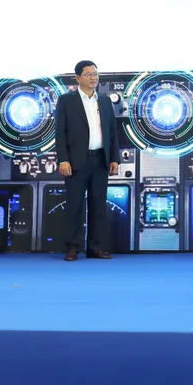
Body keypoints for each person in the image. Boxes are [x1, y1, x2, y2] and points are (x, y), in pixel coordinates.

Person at [55, 60, 120, 261]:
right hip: (76, 161)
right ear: (78, 78)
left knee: (98, 205)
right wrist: (63, 160)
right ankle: (73, 248)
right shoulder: (67, 100)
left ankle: (95, 248)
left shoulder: (105, 100)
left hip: (100, 159)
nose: (93, 78)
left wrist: (114, 158)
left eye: (95, 74)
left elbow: (112, 131)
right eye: (89, 74)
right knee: (74, 206)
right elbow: (60, 133)